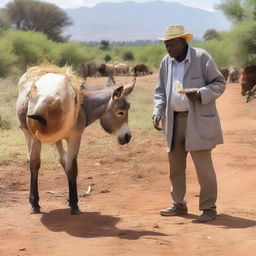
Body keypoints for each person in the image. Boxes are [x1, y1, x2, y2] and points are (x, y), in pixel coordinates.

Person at [153, 25, 226, 222]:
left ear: (183, 42)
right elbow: (160, 90)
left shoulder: (201, 57)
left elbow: (219, 84)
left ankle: (208, 208)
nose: (169, 49)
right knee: (175, 168)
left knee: (204, 168)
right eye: (166, 45)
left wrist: (200, 93)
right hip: (174, 122)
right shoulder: (166, 63)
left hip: (198, 122)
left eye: (172, 44)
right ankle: (178, 204)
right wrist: (158, 110)